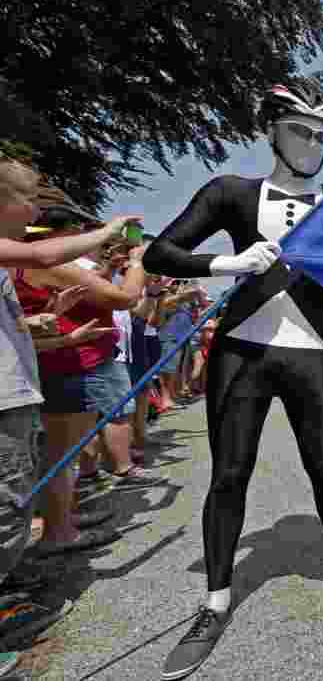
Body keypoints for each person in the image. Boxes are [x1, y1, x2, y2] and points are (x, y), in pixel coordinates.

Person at [142, 80, 323, 681]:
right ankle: (214, 603)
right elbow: (158, 253)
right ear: (271, 131)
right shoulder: (231, 192)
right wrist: (228, 262)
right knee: (229, 474)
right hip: (241, 353)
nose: (312, 143)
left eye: (321, 134)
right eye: (300, 130)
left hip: (312, 355)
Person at [0, 156, 139, 651]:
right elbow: (44, 260)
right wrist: (111, 232)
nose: (35, 206)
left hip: (19, 389)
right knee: (10, 502)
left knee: (15, 497)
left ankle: (11, 589)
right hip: (10, 396)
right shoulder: (24, 254)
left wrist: (43, 326)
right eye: (29, 195)